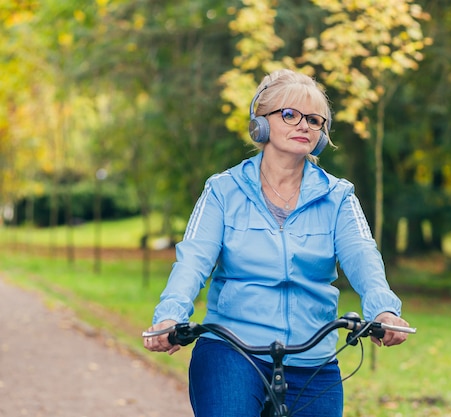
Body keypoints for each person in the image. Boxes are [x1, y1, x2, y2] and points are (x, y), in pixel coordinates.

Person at [144, 68, 410, 417]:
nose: (304, 125)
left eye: (315, 120)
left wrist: (383, 309)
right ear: (260, 123)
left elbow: (363, 256)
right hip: (232, 351)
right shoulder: (223, 190)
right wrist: (170, 317)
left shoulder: (339, 196)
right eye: (290, 114)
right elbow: (192, 260)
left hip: (313, 355)